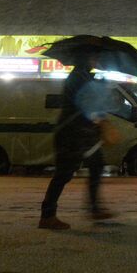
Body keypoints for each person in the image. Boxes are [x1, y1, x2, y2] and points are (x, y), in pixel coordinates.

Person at [39, 57, 114, 230]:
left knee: (96, 165)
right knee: (64, 173)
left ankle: (94, 208)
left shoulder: (83, 76)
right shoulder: (78, 77)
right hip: (72, 133)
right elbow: (85, 102)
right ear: (87, 58)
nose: (97, 60)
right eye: (95, 56)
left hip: (82, 133)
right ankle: (47, 216)